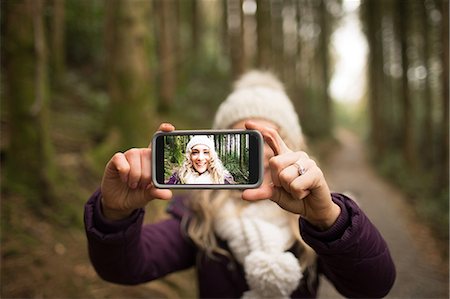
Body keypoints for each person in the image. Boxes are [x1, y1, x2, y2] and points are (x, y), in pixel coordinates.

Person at [84, 70, 396, 298]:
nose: (258, 156)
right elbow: (125, 268)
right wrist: (113, 215)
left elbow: (373, 286)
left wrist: (327, 218)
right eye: (243, 143)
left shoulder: (317, 215)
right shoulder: (198, 215)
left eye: (270, 140)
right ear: (219, 150)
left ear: (294, 149)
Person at [166, 135, 235, 184]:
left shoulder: (223, 179)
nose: (200, 158)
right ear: (189, 156)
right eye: (195, 152)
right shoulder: (178, 177)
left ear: (212, 156)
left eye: (206, 152)